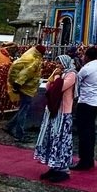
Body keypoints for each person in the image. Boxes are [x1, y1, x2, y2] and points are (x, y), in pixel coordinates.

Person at [34, 55, 77, 183]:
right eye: (57, 63)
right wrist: (54, 75)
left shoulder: (72, 75)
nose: (58, 65)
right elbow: (48, 87)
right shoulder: (59, 73)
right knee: (52, 139)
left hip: (64, 112)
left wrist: (57, 77)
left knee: (61, 140)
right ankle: (53, 166)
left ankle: (63, 169)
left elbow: (59, 88)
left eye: (60, 63)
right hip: (54, 111)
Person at [71, 46, 97, 170]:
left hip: (85, 102)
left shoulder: (86, 68)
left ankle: (84, 160)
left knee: (83, 132)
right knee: (90, 131)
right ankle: (89, 158)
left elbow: (77, 81)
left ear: (87, 56)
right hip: (96, 101)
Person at [3, 45, 45, 142]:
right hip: (27, 88)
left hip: (23, 87)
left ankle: (9, 126)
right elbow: (25, 73)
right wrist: (17, 84)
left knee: (22, 109)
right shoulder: (35, 60)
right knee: (24, 111)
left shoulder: (27, 56)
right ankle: (19, 134)